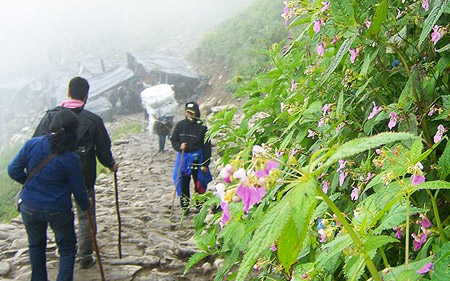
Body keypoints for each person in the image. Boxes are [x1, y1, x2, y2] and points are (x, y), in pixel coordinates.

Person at [33, 77, 118, 269]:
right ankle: (85, 255)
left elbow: (37, 143)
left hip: (56, 177)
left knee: (59, 214)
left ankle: (64, 250)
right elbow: (103, 150)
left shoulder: (50, 117)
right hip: (84, 176)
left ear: (68, 92)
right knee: (85, 215)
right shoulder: (93, 120)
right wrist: (111, 164)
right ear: (86, 96)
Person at [8, 109, 90, 281]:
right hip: (58, 210)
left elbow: (13, 169)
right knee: (67, 249)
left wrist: (29, 184)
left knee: (36, 246)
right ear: (73, 132)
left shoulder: (32, 144)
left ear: (51, 125)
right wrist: (86, 204)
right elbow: (79, 190)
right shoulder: (71, 158)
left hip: (29, 206)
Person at [171, 102, 212, 212]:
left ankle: (200, 206)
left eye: (192, 113)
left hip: (197, 159)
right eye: (187, 112)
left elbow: (207, 146)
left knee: (199, 182)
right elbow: (174, 139)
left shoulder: (202, 127)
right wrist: (179, 146)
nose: (189, 115)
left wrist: (205, 163)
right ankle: (185, 207)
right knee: (183, 183)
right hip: (184, 159)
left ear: (196, 113)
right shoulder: (180, 125)